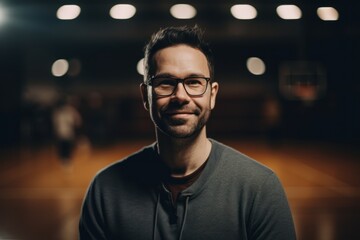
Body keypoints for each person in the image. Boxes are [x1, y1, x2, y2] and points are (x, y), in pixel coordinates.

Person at [79, 25, 296, 240]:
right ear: (146, 96)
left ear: (212, 95)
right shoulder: (104, 191)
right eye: (165, 83)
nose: (180, 96)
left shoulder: (260, 189)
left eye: (194, 82)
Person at [52, 96, 82, 168]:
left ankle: (68, 161)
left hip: (69, 132)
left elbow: (78, 121)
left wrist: (73, 124)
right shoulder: (57, 112)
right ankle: (63, 161)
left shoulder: (71, 110)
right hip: (61, 132)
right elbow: (55, 123)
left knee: (68, 147)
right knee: (62, 147)